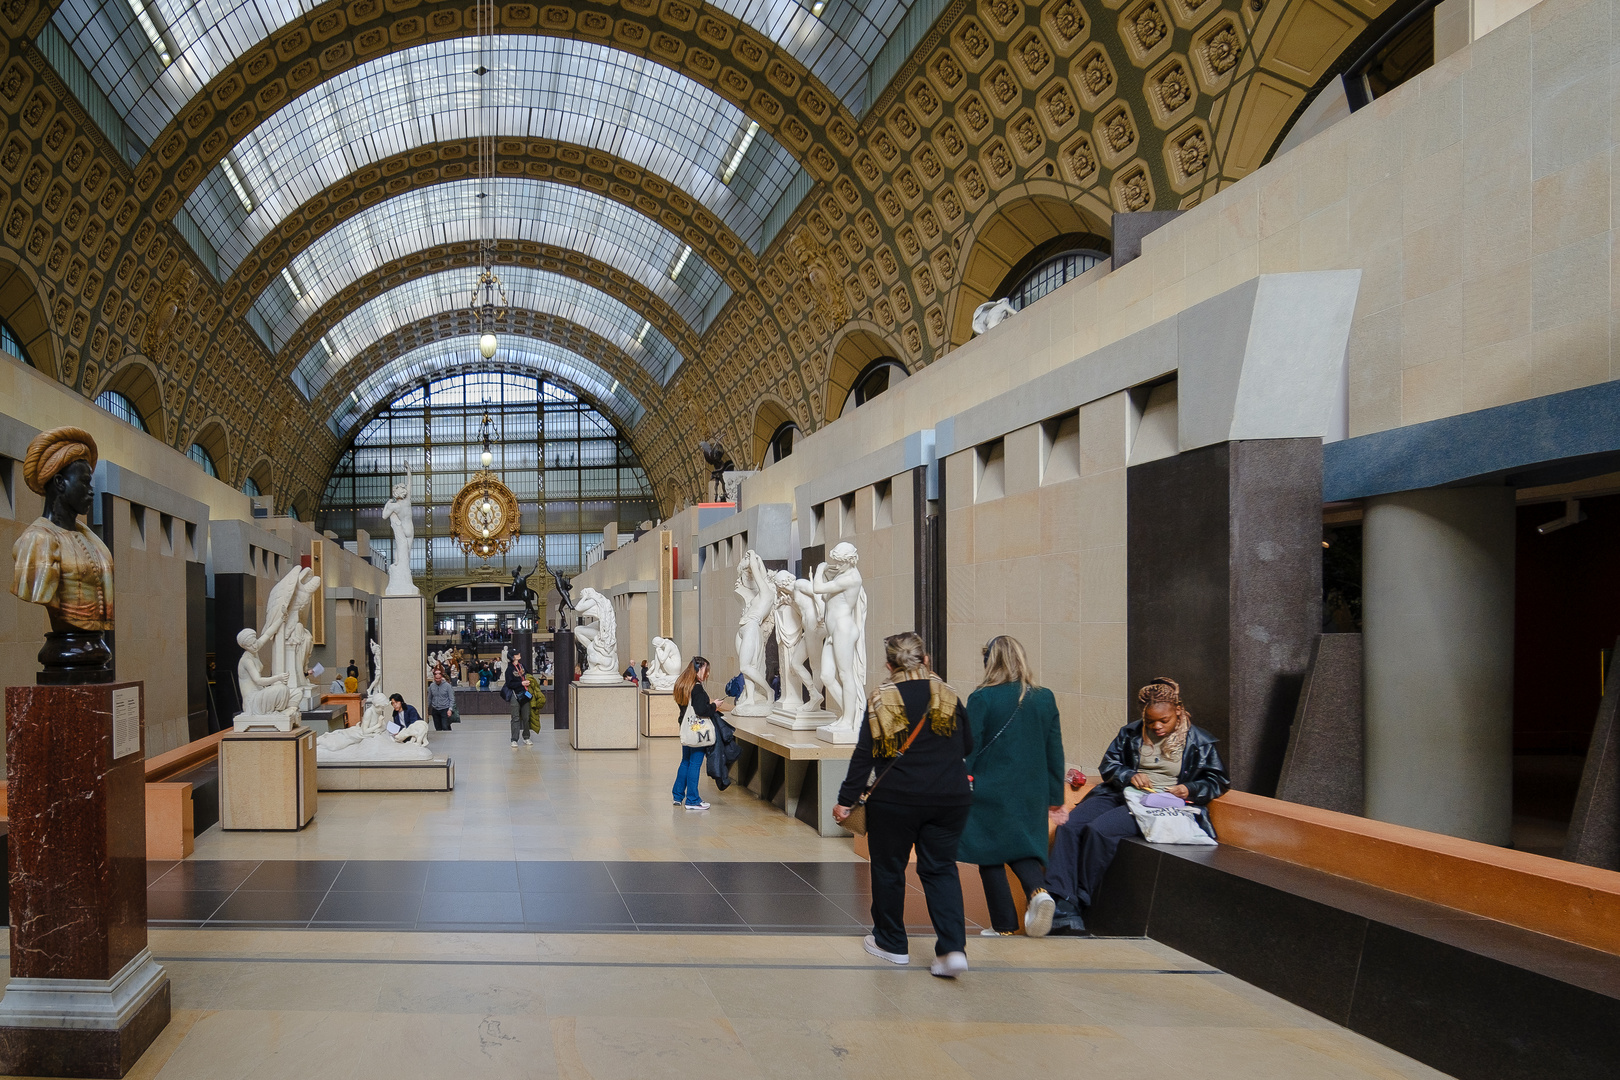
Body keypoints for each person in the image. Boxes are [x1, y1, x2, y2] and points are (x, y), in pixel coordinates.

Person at [1036, 677, 1230, 937]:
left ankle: (1076, 901)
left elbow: (1218, 779)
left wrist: (1190, 789)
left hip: (1158, 804)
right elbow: (1109, 765)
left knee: (1099, 830)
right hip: (1120, 793)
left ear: (1179, 712)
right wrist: (1128, 775)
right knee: (1069, 825)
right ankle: (1061, 901)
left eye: (1164, 721)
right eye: (1151, 722)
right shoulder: (1130, 733)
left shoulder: (1199, 742)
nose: (1157, 727)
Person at [833, 632, 974, 979]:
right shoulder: (948, 695)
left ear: (889, 664)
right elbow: (968, 744)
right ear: (925, 660)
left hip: (895, 799)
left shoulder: (882, 698)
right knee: (941, 869)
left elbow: (863, 756)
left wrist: (846, 801)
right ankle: (953, 949)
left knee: (889, 869)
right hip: (949, 798)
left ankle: (891, 943)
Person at [959, 636, 1067, 938]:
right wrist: (1055, 797)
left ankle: (1004, 925)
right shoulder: (1044, 697)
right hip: (1032, 790)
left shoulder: (982, 698)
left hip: (989, 787)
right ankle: (1038, 892)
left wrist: (958, 780)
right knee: (1022, 847)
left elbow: (970, 746)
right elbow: (1054, 749)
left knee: (988, 852)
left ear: (990, 662)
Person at [671, 656, 730, 810]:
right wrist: (714, 705)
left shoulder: (682, 685)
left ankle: (678, 796)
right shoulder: (696, 687)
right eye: (706, 670)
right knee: (695, 764)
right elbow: (701, 710)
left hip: (686, 727)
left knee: (685, 761)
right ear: (698, 670)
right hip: (698, 730)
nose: (707, 674)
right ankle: (692, 800)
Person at [504, 656, 532, 748]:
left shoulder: (522, 666)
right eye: (517, 654)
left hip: (525, 694)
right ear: (513, 657)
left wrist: (529, 681)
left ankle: (526, 736)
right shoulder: (509, 669)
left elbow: (528, 675)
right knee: (515, 717)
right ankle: (514, 739)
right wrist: (521, 683)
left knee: (526, 716)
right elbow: (509, 684)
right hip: (514, 695)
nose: (519, 655)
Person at [427, 667, 456, 731]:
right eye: (436, 678)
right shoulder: (432, 686)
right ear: (434, 678)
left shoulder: (447, 686)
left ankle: (448, 735)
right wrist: (427, 710)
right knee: (438, 728)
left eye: (439, 678)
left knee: (445, 726)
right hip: (435, 709)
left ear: (441, 677)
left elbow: (451, 698)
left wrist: (450, 709)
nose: (438, 680)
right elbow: (429, 698)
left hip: (444, 709)